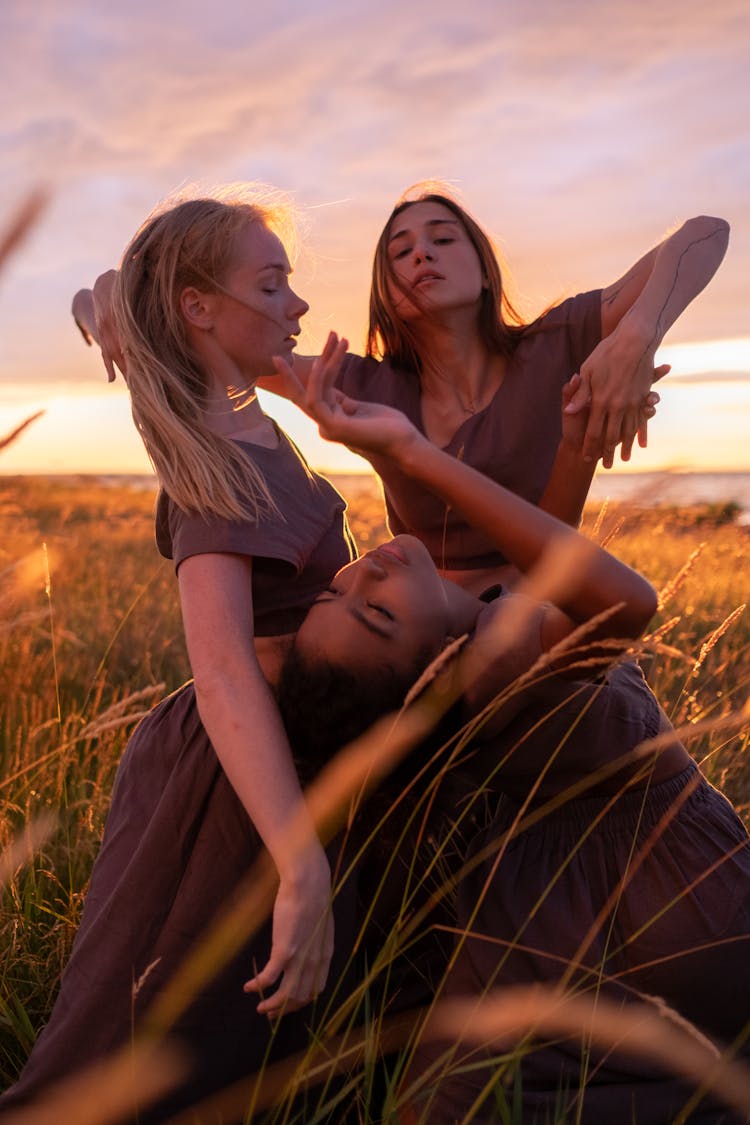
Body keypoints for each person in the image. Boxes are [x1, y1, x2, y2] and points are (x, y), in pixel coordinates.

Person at [272, 359, 750, 1124]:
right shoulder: (490, 662)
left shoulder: (485, 637)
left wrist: (572, 449)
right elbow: (628, 601)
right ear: (426, 677)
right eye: (379, 614)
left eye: (342, 588)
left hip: (582, 914)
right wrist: (411, 453)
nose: (367, 573)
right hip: (673, 913)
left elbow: (542, 572)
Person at [1, 190, 362, 1121]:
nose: (298, 306)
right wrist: (300, 862)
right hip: (232, 789)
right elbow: (225, 669)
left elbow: (125, 291)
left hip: (265, 769)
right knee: (145, 1055)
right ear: (202, 308)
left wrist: (114, 303)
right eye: (274, 284)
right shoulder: (218, 460)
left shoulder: (235, 416)